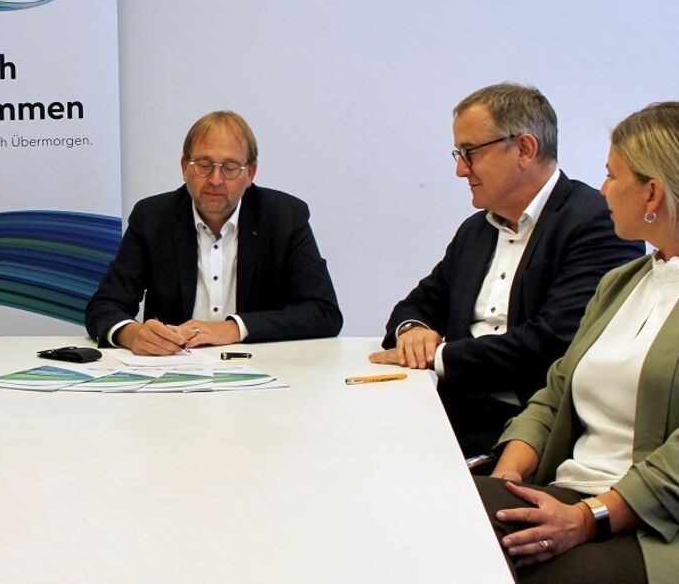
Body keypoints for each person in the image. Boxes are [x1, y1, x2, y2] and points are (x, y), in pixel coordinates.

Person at [370, 84, 642, 457]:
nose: (460, 170)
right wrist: (412, 331)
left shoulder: (596, 220)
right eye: (459, 154)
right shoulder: (476, 230)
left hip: (531, 429)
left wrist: (439, 357)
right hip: (449, 413)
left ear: (525, 149)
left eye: (470, 153)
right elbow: (417, 303)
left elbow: (557, 340)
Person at [475, 101, 679, 583]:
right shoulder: (622, 283)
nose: (602, 189)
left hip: (650, 528)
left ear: (651, 193)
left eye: (612, 175)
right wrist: (508, 476)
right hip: (571, 498)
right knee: (433, 506)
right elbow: (556, 391)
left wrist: (589, 518)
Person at [84, 110, 342, 355]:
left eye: (230, 167)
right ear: (185, 167)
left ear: (250, 173)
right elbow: (104, 306)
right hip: (174, 367)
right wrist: (132, 335)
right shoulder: (152, 217)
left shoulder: (285, 217)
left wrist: (233, 328)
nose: (215, 180)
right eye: (204, 165)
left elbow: (323, 312)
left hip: (261, 367)